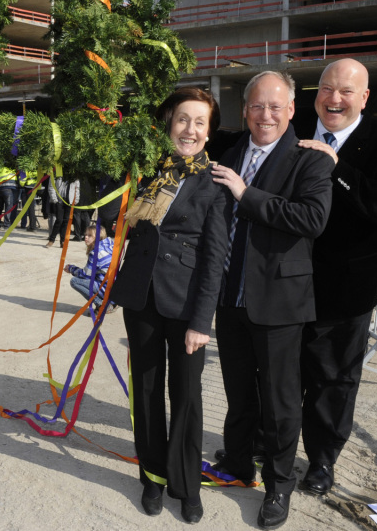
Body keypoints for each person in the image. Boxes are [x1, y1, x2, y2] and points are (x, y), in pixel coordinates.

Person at [209, 71, 334, 529]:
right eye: (258, 106)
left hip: (280, 301)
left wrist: (246, 194)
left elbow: (312, 218)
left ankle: (279, 483)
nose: (266, 115)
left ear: (291, 111)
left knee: (281, 402)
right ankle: (238, 462)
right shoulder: (230, 151)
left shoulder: (311, 160)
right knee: (239, 392)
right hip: (230, 296)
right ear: (245, 110)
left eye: (276, 107)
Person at [111, 87, 232, 524]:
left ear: (209, 132)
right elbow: (118, 219)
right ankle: (153, 477)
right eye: (183, 119)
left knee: (186, 396)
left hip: (185, 305)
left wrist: (203, 320)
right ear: (169, 123)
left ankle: (186, 484)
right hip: (141, 297)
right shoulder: (145, 170)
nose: (190, 129)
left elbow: (215, 256)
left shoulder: (214, 181)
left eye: (200, 122)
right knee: (145, 391)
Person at [296, 59, 377, 496]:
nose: (334, 99)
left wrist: (336, 167)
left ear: (364, 98)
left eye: (346, 91)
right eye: (326, 88)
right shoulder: (293, 124)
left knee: (334, 379)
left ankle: (322, 460)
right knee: (278, 371)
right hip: (286, 279)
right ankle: (269, 444)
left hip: (346, 288)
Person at [64, 222, 116, 311]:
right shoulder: (110, 245)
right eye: (86, 235)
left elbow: (86, 274)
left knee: (75, 281)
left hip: (106, 288)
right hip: (115, 287)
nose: (86, 237)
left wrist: (71, 269)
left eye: (90, 235)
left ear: (98, 237)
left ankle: (101, 305)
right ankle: (111, 303)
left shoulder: (95, 253)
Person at [45, 176, 78, 248]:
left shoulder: (73, 174)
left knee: (66, 221)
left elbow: (77, 187)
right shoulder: (56, 173)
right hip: (59, 201)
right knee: (59, 220)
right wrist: (54, 200)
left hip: (69, 201)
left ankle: (62, 241)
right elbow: (51, 187)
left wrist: (76, 200)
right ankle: (51, 240)